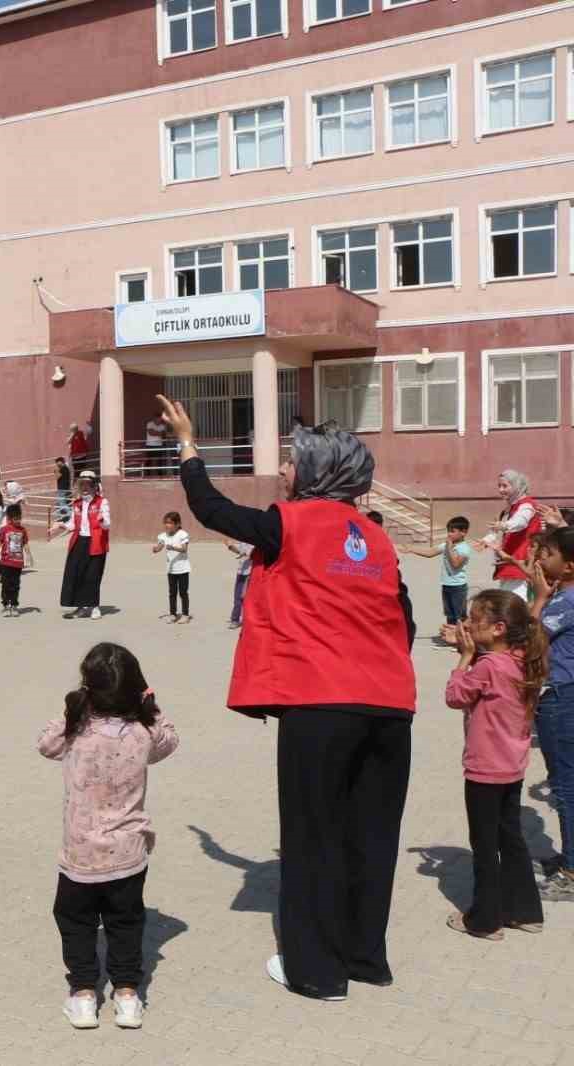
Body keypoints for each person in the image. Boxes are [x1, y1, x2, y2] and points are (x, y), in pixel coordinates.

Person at [159, 394, 416, 1001]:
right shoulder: (377, 539)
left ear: (318, 471)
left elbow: (209, 508)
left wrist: (189, 443)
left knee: (312, 834)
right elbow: (402, 619)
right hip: (389, 706)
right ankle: (365, 959)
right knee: (371, 837)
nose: (283, 471)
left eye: (292, 462)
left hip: (322, 703)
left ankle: (316, 973)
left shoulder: (290, 522)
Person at [38, 643, 178, 1030]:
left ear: (88, 687)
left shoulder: (76, 728)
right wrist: (152, 706)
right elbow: (169, 740)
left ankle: (84, 993)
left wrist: (71, 708)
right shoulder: (142, 732)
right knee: (126, 922)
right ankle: (128, 994)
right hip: (128, 853)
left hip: (80, 854)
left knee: (75, 921)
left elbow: (45, 744)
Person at [443, 590, 546, 939]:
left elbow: (455, 697)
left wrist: (465, 657)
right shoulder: (524, 660)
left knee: (485, 844)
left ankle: (485, 919)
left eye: (475, 619)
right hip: (512, 767)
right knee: (511, 836)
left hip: (485, 768)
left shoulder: (488, 665)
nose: (469, 624)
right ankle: (526, 911)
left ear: (499, 628)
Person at [530, 528, 574, 902]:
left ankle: (572, 873)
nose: (540, 559)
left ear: (569, 565)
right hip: (563, 694)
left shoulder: (563, 602)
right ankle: (569, 858)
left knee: (565, 786)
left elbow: (527, 640)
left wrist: (540, 598)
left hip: (561, 697)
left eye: (546, 553)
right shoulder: (566, 595)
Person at [51, 471, 111, 620]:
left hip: (96, 542)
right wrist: (61, 525)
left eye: (87, 484)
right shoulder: (77, 504)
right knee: (76, 575)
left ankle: (94, 606)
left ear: (94, 486)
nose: (84, 488)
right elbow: (73, 524)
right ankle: (81, 607)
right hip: (79, 542)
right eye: (81, 484)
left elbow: (107, 524)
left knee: (93, 576)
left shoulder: (102, 502)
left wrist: (102, 520)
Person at [401, 517, 473, 636]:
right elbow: (430, 553)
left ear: (463, 532)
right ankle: (451, 637)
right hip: (446, 584)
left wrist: (449, 547)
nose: (449, 534)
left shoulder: (464, 549)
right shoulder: (446, 545)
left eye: (452, 531)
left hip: (458, 587)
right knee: (449, 614)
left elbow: (455, 564)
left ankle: (462, 639)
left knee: (459, 615)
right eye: (448, 530)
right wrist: (411, 549)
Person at [480, 471, 541, 602]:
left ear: (517, 485)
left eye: (505, 486)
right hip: (509, 562)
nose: (500, 490)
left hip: (520, 563)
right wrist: (486, 540)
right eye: (499, 486)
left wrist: (504, 525)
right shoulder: (510, 508)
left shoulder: (526, 505)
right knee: (508, 601)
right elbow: (497, 531)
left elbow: (520, 522)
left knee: (515, 603)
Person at [153, 511, 191, 623]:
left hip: (183, 569)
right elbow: (160, 546)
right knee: (172, 593)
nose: (167, 525)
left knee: (183, 592)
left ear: (178, 524)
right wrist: (156, 549)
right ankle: (173, 614)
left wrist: (174, 548)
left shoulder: (183, 534)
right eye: (165, 523)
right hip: (171, 570)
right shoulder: (162, 536)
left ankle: (185, 614)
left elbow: (184, 549)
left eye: (169, 523)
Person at [0, 503, 32, 617]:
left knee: (15, 584)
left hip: (18, 562)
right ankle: (6, 605)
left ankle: (14, 605)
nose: (18, 521)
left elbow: (25, 543)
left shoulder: (23, 530)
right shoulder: (4, 529)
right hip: (6, 561)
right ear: (10, 519)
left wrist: (29, 555)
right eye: (16, 519)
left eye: (19, 518)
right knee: (5, 584)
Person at [224, 540, 254, 630]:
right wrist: (231, 547)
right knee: (237, 596)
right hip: (241, 571)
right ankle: (235, 620)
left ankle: (248, 620)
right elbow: (239, 551)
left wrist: (244, 553)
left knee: (246, 597)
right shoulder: (243, 539)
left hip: (250, 572)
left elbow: (252, 555)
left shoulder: (255, 540)